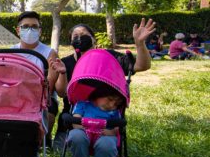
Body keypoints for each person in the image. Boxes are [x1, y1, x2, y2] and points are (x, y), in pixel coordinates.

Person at [51, 19, 155, 148]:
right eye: (75, 36)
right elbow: (62, 93)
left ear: (94, 39)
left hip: (106, 120)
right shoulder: (65, 62)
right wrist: (63, 73)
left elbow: (142, 65)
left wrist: (140, 44)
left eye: (84, 35)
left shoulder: (109, 57)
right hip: (74, 120)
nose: (80, 39)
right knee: (61, 150)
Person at [12, 11, 59, 139]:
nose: (29, 30)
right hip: (15, 96)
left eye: (34, 27)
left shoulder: (50, 54)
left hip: (42, 98)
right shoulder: (10, 52)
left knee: (49, 109)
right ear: (18, 30)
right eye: (25, 26)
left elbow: (49, 86)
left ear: (40, 31)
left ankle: (44, 141)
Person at [69, 83, 126, 157]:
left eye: (116, 104)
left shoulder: (114, 112)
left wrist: (112, 132)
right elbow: (75, 121)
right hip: (84, 132)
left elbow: (118, 127)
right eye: (110, 99)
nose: (112, 105)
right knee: (75, 136)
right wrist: (84, 126)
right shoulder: (83, 104)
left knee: (107, 145)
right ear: (99, 94)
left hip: (104, 135)